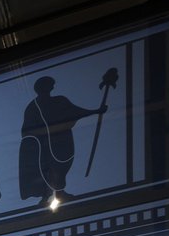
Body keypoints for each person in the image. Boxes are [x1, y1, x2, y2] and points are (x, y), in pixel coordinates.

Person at [18, 75, 105, 207]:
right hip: (44, 145)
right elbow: (26, 130)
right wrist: (43, 134)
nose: (50, 87)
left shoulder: (60, 101)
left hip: (62, 142)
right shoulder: (33, 107)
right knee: (46, 169)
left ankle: (60, 193)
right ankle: (45, 195)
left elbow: (75, 111)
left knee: (61, 168)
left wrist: (96, 111)